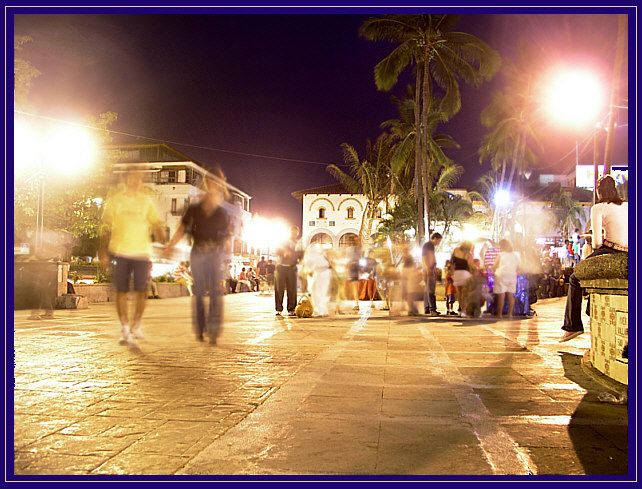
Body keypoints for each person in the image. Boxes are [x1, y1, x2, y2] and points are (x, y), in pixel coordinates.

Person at [98, 169, 165, 347]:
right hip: (120, 251)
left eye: (138, 178)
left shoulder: (146, 201)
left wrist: (161, 237)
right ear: (125, 179)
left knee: (142, 291)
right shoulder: (115, 201)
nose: (135, 181)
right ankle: (125, 328)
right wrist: (102, 250)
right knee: (121, 291)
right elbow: (105, 227)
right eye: (132, 177)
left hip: (142, 253)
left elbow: (156, 222)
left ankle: (136, 324)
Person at [165, 167, 231, 345]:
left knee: (216, 292)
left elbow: (227, 235)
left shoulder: (222, 212)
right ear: (207, 183)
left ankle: (214, 328)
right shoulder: (194, 208)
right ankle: (201, 328)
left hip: (215, 254)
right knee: (200, 291)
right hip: (199, 253)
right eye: (211, 181)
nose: (214, 185)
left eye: (218, 182)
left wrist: (226, 246)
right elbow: (182, 227)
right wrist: (170, 245)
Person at [560, 175, 628, 342]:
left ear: (598, 192)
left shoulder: (598, 208)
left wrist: (599, 238)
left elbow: (597, 243)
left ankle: (573, 326)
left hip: (611, 249)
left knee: (576, 277)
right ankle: (591, 310)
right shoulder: (628, 205)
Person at [274, 225, 303, 317]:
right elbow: (277, 250)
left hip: (292, 268)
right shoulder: (283, 241)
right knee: (279, 289)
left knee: (292, 289)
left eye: (295, 233)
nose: (294, 234)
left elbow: (301, 256)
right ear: (289, 232)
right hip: (281, 267)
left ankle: (291, 309)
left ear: (297, 234)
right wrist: (284, 253)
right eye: (292, 232)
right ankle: (278, 309)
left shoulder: (299, 244)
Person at [492, 239, 520, 319]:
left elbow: (495, 266)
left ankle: (499, 314)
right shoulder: (516, 255)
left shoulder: (501, 255)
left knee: (501, 295)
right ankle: (510, 314)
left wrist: (493, 270)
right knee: (511, 295)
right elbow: (519, 267)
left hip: (502, 275)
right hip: (512, 275)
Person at [303, 244, 332, 317]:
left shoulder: (311, 253)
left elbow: (309, 265)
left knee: (316, 292)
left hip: (319, 272)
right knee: (323, 292)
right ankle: (324, 311)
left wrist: (308, 271)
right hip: (325, 272)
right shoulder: (321, 253)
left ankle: (319, 311)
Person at [451, 241, 475, 316]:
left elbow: (452, 262)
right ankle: (464, 311)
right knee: (465, 294)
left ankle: (461, 309)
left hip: (456, 273)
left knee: (459, 293)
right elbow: (471, 265)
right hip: (465, 274)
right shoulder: (468, 254)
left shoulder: (455, 250)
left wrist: (451, 272)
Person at [422, 232, 443, 316]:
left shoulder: (429, 245)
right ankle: (432, 309)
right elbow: (425, 257)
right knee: (431, 290)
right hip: (429, 269)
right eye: (439, 241)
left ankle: (427, 308)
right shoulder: (429, 245)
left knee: (427, 289)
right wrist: (429, 268)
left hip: (428, 268)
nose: (439, 243)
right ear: (434, 238)